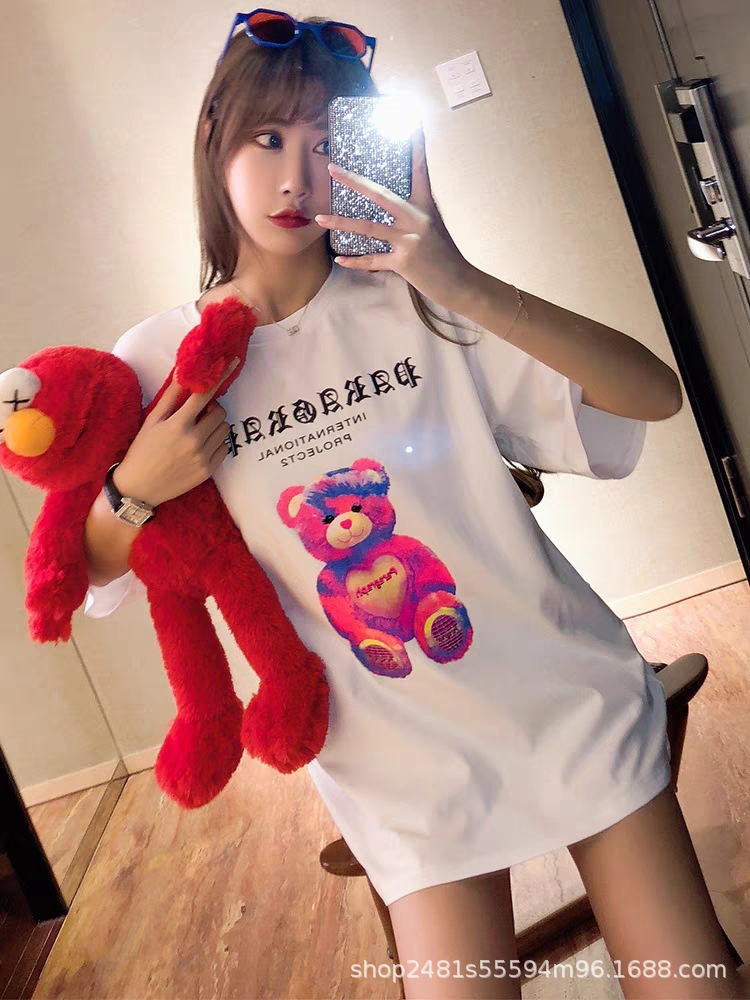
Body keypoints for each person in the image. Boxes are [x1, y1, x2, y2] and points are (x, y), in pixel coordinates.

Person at [83, 11, 749, 999]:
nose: (296, 178)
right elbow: (88, 572)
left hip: (565, 701)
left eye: (326, 142)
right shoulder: (155, 361)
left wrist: (458, 279)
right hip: (393, 763)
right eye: (267, 137)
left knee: (690, 986)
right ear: (213, 139)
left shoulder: (419, 299)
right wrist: (135, 486)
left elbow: (652, 393)